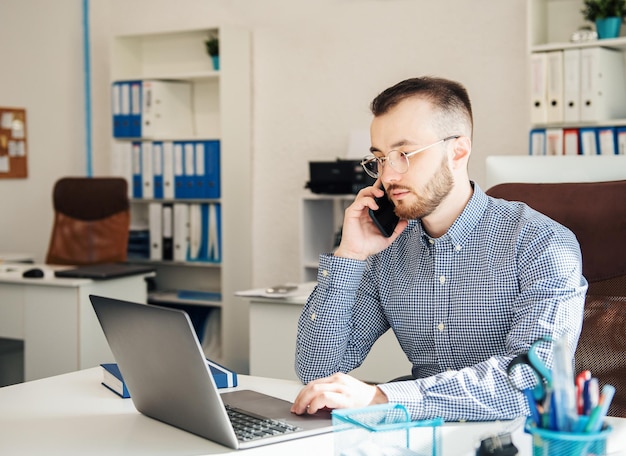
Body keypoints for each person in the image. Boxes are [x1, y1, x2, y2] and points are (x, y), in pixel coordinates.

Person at [290, 76, 586, 421]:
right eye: (380, 159)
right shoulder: (388, 247)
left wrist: (383, 397)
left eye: (403, 154)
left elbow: (531, 385)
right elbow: (318, 369)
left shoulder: (543, 243)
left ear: (458, 151)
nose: (388, 176)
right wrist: (350, 256)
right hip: (421, 433)